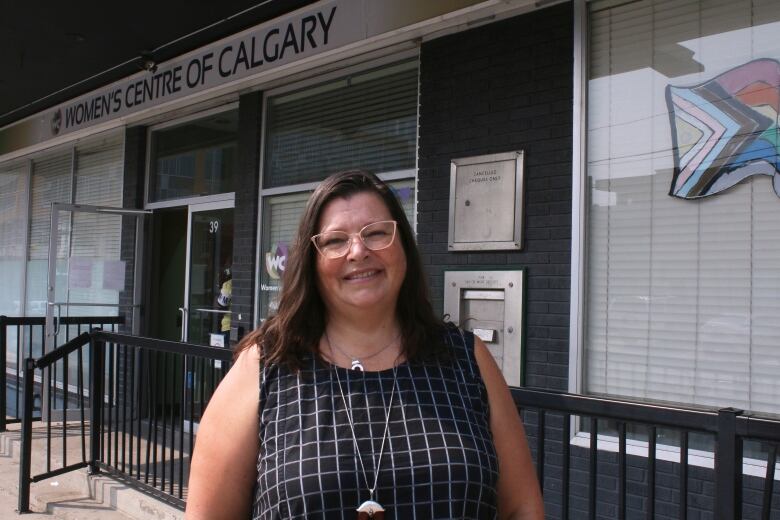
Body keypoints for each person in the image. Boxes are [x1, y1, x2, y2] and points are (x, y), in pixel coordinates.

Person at [186, 170, 544, 520]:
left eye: (376, 233)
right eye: (335, 241)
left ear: (402, 245)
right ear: (312, 261)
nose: (358, 251)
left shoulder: (467, 360)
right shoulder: (266, 366)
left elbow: (521, 508)